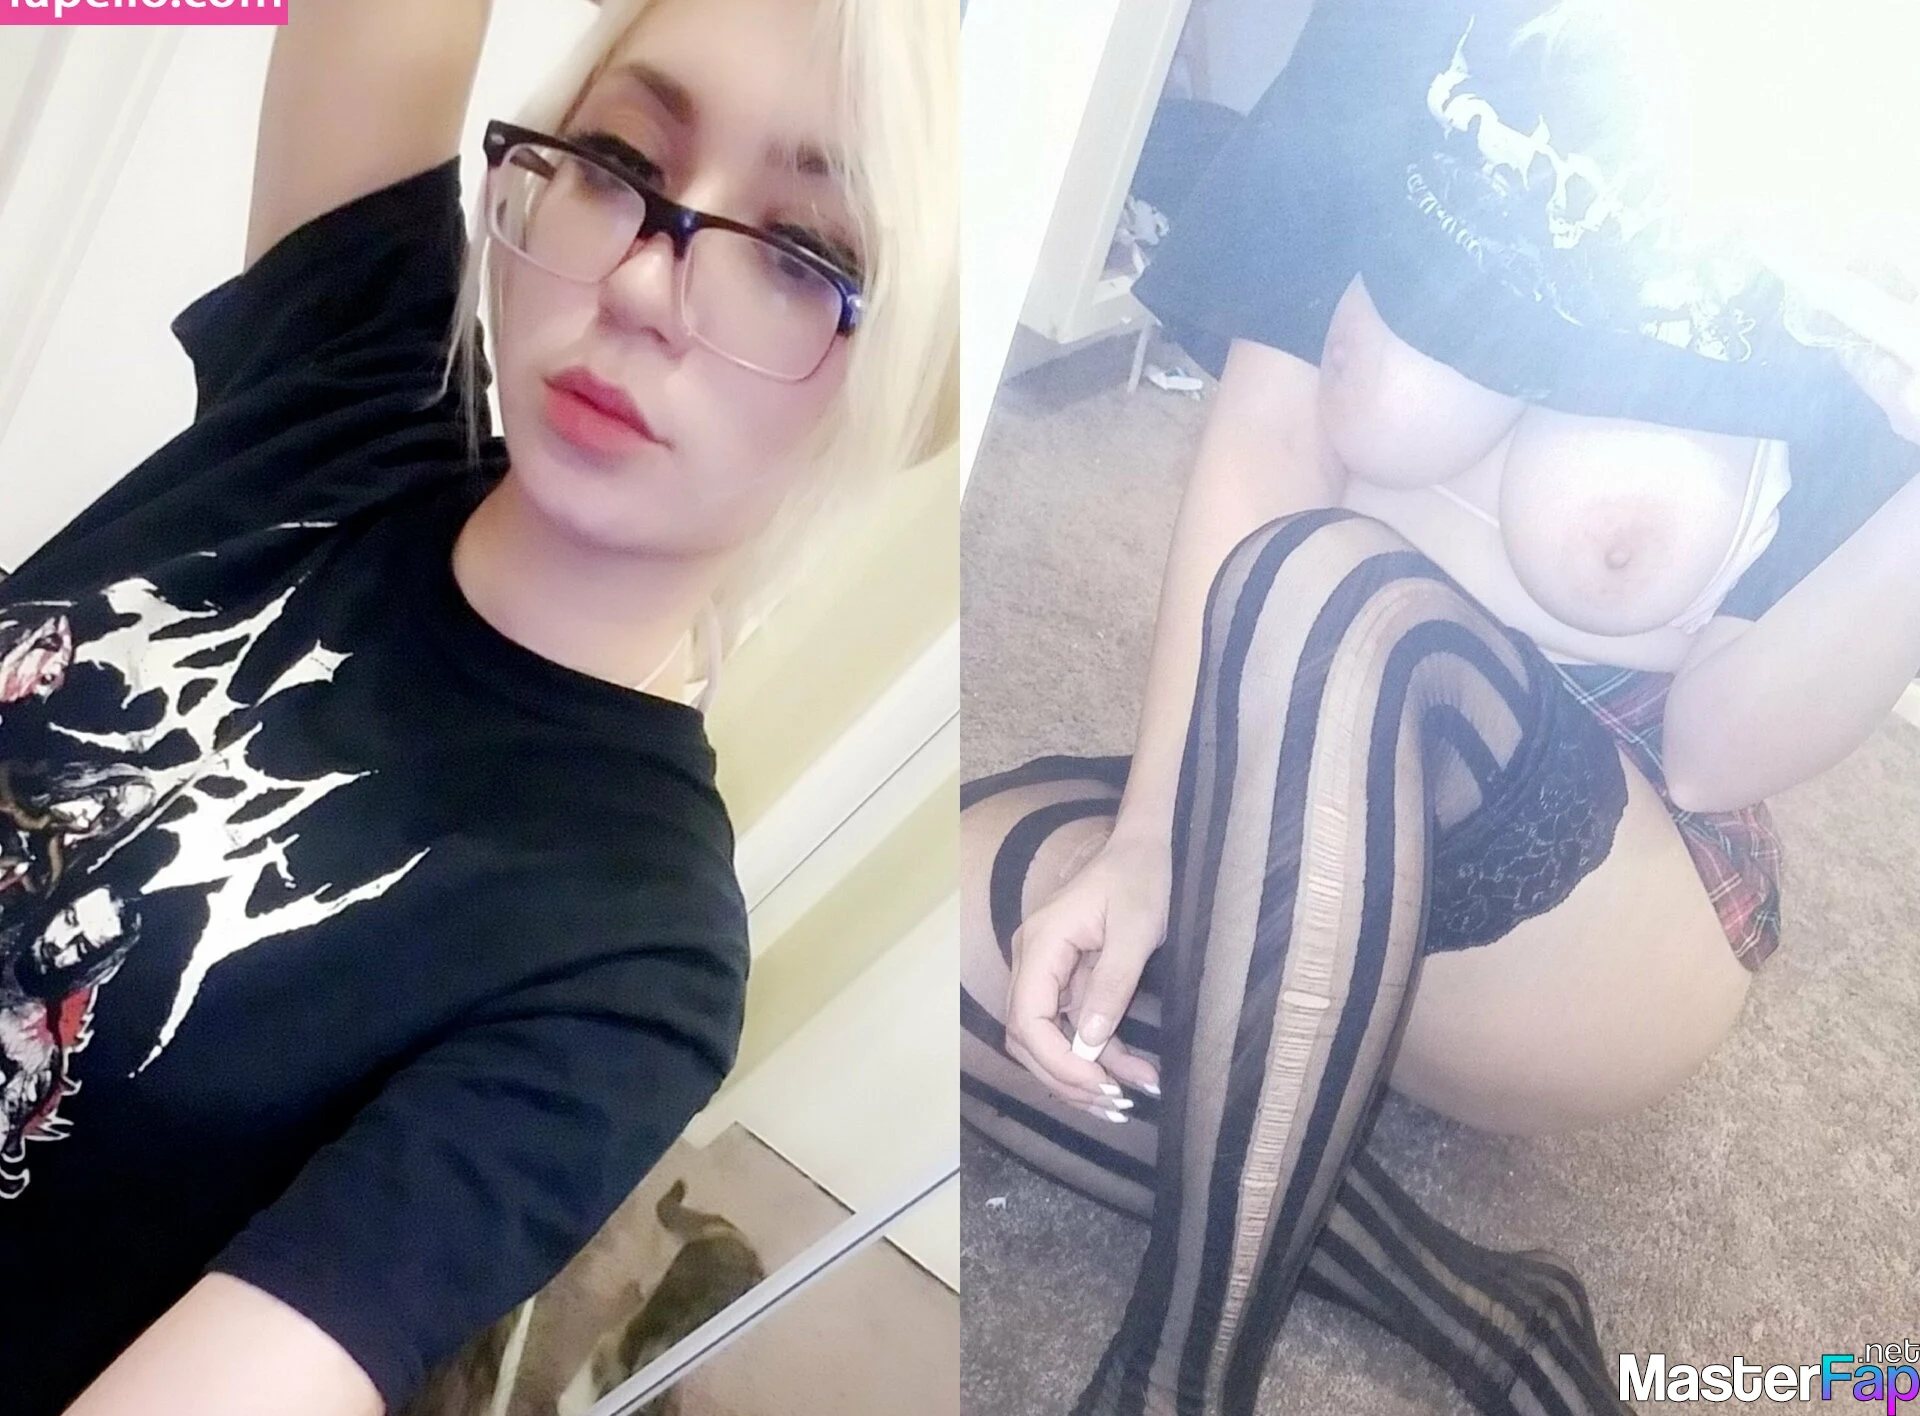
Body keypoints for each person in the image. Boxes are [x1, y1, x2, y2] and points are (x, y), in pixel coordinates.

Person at [958, 0, 1919, 1412]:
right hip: (1302, 773)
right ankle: (1477, 1309)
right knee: (962, 937)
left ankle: (1176, 1382)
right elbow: (1272, 433)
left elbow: (1718, 752)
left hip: (1596, 888)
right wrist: (1155, 835)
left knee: (1340, 591)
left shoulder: (1870, 129)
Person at [0, 0, 955, 1411]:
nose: (645, 282)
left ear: (908, 375)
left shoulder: (636, 960)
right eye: (620, 162)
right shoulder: (348, 389)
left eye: (802, 254)